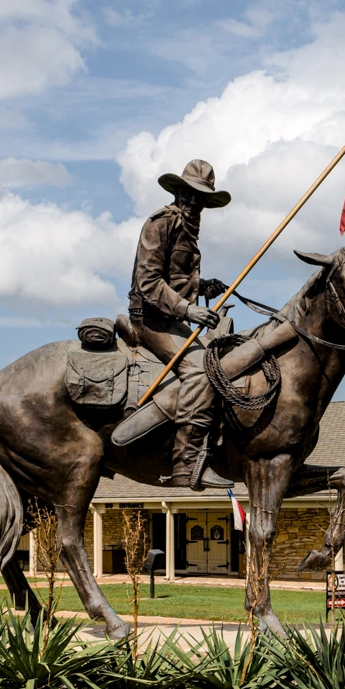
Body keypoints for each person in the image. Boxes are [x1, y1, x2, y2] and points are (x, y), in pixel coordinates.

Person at [128, 159, 230, 488]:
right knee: (201, 369)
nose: (194, 203)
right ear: (178, 193)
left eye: (200, 199)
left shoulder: (188, 229)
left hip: (173, 316)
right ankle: (185, 462)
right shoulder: (160, 223)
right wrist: (190, 310)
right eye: (189, 195)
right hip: (151, 319)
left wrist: (203, 287)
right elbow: (149, 283)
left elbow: (176, 280)